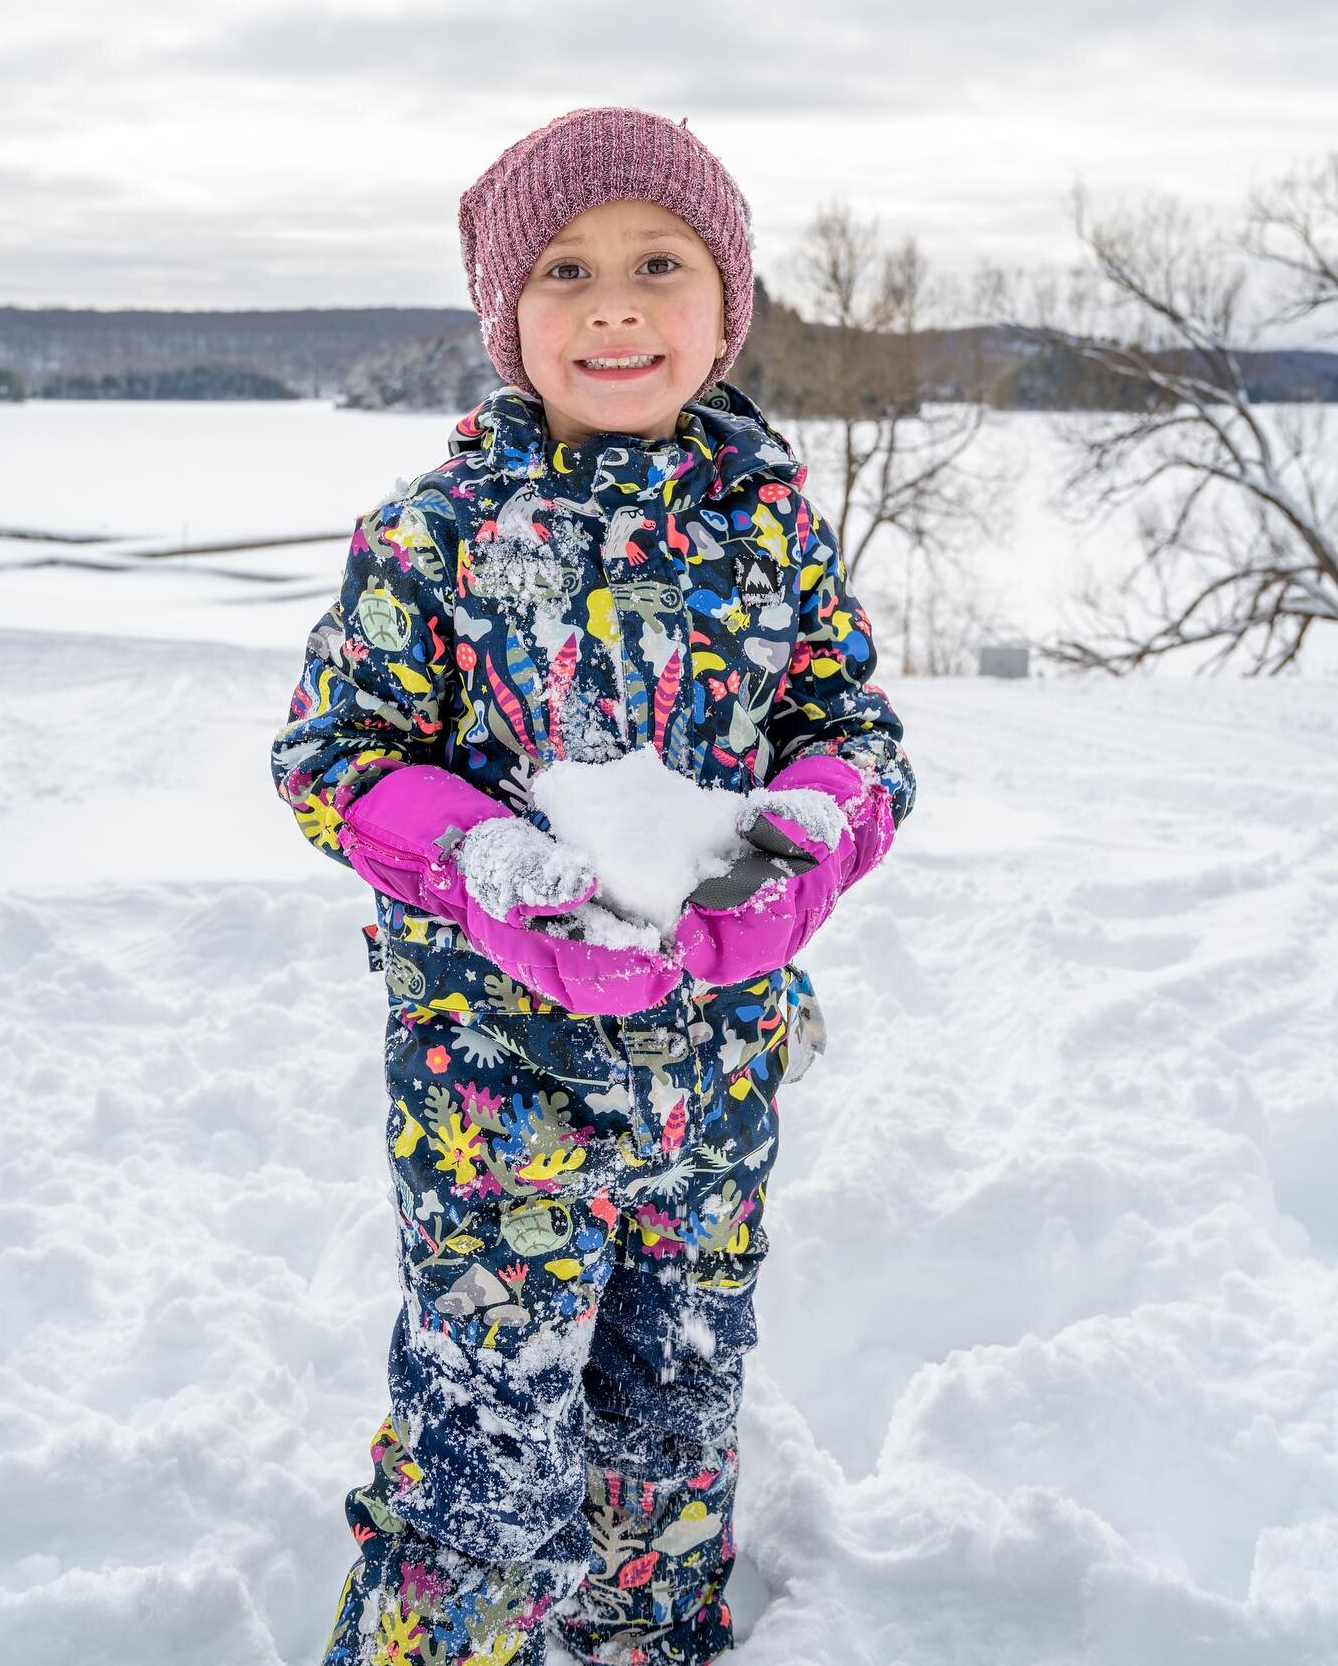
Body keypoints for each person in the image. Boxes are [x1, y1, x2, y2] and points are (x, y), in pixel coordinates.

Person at [271, 106, 917, 1666]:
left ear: (725, 302)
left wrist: (811, 838)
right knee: (488, 1463)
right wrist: (487, 868)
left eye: (657, 262)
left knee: (676, 1425)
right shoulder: (437, 536)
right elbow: (332, 757)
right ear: (507, 315)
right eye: (564, 269)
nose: (614, 304)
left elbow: (855, 731)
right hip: (497, 1107)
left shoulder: (770, 530)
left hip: (718, 1097)